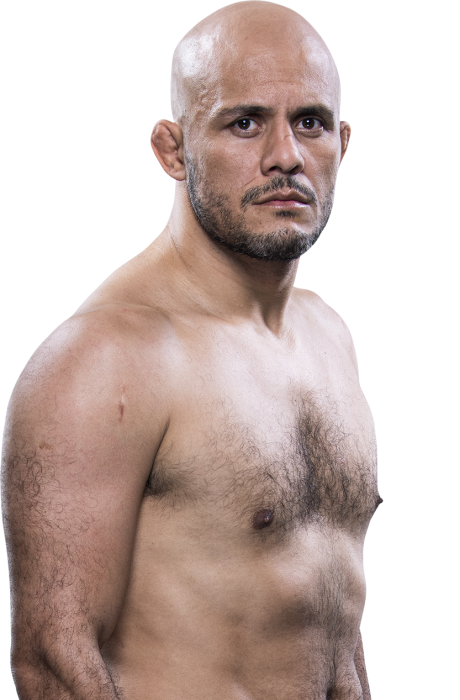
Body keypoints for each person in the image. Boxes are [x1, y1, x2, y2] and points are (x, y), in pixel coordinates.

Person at [1, 2, 381, 698]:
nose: (286, 156)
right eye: (245, 123)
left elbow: (327, 616)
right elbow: (55, 661)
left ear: (344, 143)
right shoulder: (107, 358)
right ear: (172, 150)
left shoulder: (328, 337)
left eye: (310, 123)